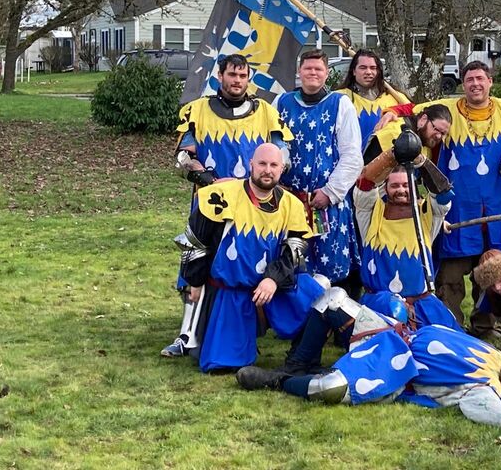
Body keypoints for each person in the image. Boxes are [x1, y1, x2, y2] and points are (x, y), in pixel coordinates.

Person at [236, 299, 501, 435]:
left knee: (327, 390)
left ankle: (279, 382)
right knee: (331, 299)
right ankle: (299, 362)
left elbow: (488, 409)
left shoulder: (480, 391)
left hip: (391, 368)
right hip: (393, 331)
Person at [377, 61, 501, 338]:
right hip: (457, 211)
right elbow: (413, 110)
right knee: (449, 279)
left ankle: (485, 327)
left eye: (480, 78)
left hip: (497, 208)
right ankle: (450, 328)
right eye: (470, 79)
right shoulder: (447, 109)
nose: (475, 84)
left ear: (490, 81)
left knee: (493, 273)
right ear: (463, 83)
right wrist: (392, 112)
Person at [162, 53, 293, 357]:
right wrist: (209, 179)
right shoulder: (197, 110)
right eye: (232, 75)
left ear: (249, 79)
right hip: (210, 199)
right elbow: (183, 156)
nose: (237, 80)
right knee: (197, 259)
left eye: (243, 75)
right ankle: (187, 335)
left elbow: (281, 155)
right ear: (220, 76)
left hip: (252, 203)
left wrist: (262, 181)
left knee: (243, 263)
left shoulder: (266, 112)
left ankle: (245, 329)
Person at [176, 143, 321, 373]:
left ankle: (300, 356)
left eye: (273, 165)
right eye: (262, 164)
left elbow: (295, 250)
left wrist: (273, 279)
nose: (267, 170)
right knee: (224, 365)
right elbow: (196, 240)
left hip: (272, 288)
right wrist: (194, 280)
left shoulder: (291, 204)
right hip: (230, 291)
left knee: (318, 298)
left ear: (282, 169)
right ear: (251, 164)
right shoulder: (222, 195)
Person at [273, 50, 363, 285]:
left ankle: (333, 306)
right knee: (290, 262)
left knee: (330, 267)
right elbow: (272, 146)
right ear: (299, 71)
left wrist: (330, 192)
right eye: (308, 68)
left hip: (326, 203)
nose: (313, 72)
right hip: (289, 201)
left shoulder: (340, 104)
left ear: (326, 73)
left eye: (318, 69)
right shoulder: (281, 103)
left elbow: (352, 155)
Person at [354, 162, 458, 330]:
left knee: (448, 343)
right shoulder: (371, 213)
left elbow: (444, 195)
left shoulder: (427, 214)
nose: (401, 190)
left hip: (422, 307)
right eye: (394, 185)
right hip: (379, 306)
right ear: (385, 188)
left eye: (405, 185)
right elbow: (364, 186)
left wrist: (422, 161)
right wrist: (390, 156)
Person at [335, 49, 410, 151]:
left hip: (388, 158)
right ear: (354, 71)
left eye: (373, 68)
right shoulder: (338, 98)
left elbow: (416, 111)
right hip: (349, 158)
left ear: (378, 71)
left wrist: (394, 111)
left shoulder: (394, 97)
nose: (368, 72)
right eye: (363, 68)